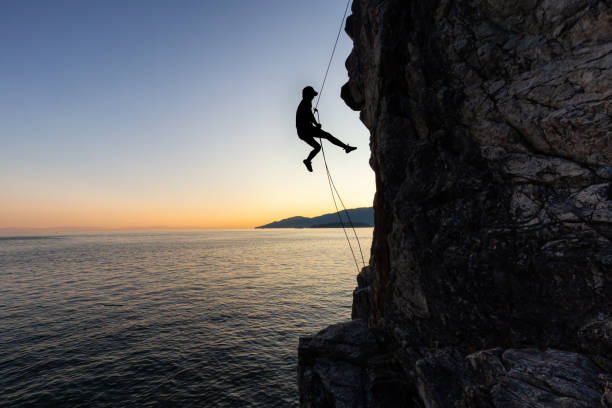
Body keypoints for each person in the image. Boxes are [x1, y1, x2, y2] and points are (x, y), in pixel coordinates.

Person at [296, 86, 356, 172]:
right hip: (306, 129)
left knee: (317, 147)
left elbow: (309, 116)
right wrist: (316, 124)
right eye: (312, 94)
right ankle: (346, 147)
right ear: (307, 95)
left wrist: (315, 124)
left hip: (302, 132)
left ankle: (307, 160)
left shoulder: (306, 102)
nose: (313, 97)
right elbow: (309, 115)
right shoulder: (306, 102)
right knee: (327, 136)